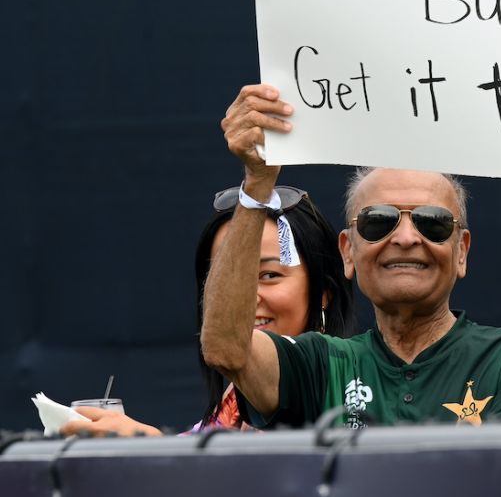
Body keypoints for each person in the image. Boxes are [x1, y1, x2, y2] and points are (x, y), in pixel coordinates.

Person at [203, 93, 501, 427]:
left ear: (462, 252)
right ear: (347, 251)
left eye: (433, 222)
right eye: (378, 221)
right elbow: (227, 350)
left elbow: (493, 468)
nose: (406, 238)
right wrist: (257, 184)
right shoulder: (319, 364)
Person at [62, 184, 355, 436]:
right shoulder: (228, 411)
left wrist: (150, 448)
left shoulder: (349, 399)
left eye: (269, 275)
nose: (244, 299)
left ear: (323, 294)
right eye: (226, 281)